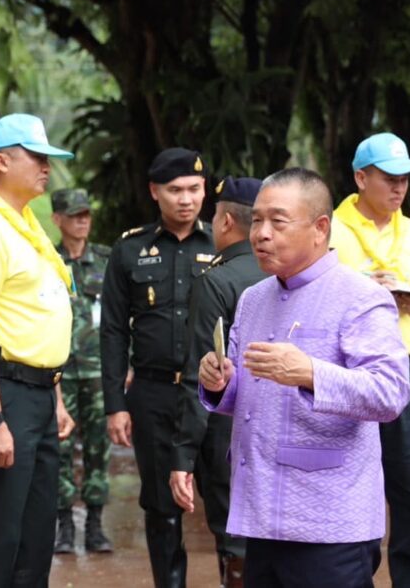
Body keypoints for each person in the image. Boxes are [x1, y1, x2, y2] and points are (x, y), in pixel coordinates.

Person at [198, 168, 410, 588]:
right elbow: (249, 393)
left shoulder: (361, 297)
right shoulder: (253, 299)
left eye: (278, 221)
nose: (260, 233)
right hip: (261, 513)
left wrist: (311, 373)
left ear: (320, 229)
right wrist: (220, 383)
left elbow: (390, 392)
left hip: (328, 518)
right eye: (257, 220)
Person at [0, 113, 76, 587]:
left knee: (35, 531)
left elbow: (38, 319)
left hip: (40, 393)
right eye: (37, 157)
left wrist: (57, 397)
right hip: (6, 394)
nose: (46, 167)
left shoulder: (23, 224)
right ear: (1, 160)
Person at [330, 132, 410, 588]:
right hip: (345, 372)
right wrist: (362, 288)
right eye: (389, 178)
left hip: (403, 372)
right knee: (346, 490)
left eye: (405, 180)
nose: (399, 188)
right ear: (361, 177)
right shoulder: (328, 229)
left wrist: (405, 299)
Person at [100, 147, 215, 588]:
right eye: (174, 190)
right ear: (154, 192)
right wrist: (116, 405)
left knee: (223, 499)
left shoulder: (223, 245)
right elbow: (113, 331)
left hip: (213, 394)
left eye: (194, 189)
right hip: (153, 394)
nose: (186, 199)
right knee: (161, 506)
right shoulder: (130, 250)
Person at [170, 176, 267, 588]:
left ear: (226, 221)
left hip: (229, 436)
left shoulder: (217, 281)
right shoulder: (282, 271)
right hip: (279, 429)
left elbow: (202, 375)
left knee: (235, 542)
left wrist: (182, 458)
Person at [50, 188, 114, 555]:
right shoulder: (46, 261)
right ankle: (64, 526)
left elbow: (123, 319)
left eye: (86, 214)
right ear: (57, 219)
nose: (82, 221)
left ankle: (94, 524)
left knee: (97, 447)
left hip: (99, 371)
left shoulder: (105, 261)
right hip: (60, 374)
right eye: (74, 215)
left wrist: (126, 366)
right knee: (59, 448)